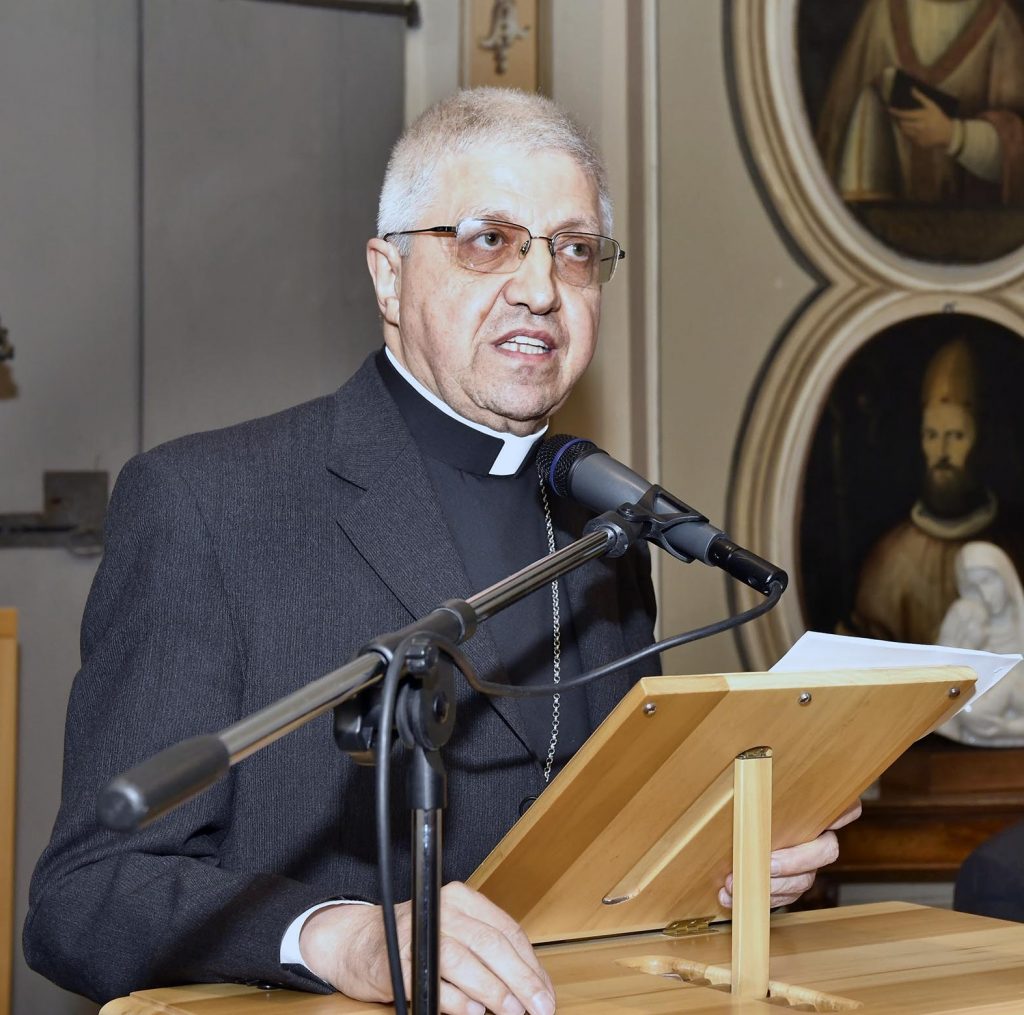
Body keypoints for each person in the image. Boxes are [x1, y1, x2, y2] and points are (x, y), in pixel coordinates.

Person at [24, 88, 853, 1014]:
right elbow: (86, 897)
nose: (541, 287)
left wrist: (720, 864)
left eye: (575, 250)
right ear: (389, 277)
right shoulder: (207, 503)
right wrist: (340, 935)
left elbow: (593, 851)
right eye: (490, 240)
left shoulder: (608, 525)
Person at [847, 337, 1024, 644]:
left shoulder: (1016, 546)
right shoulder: (890, 560)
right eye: (931, 435)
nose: (941, 453)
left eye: (956, 436)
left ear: (982, 441)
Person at [816, 0, 1024, 206]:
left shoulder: (1000, 20)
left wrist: (953, 135)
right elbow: (838, 127)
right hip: (882, 215)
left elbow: (1016, 151)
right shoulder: (881, 12)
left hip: (967, 219)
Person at [936, 541, 1024, 746]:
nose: (984, 594)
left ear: (1005, 577)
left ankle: (1006, 729)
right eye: (972, 587)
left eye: (987, 581)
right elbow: (943, 676)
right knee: (967, 709)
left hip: (1014, 701)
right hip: (979, 710)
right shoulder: (965, 618)